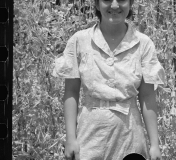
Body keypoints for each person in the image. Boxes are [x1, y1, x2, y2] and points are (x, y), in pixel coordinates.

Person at [52, 0, 166, 159]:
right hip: (89, 137)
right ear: (97, 5)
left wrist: (154, 145)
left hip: (130, 136)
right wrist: (71, 138)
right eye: (106, 0)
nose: (114, 5)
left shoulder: (143, 44)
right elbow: (71, 91)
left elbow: (147, 96)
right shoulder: (80, 41)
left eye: (121, 0)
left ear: (130, 3)